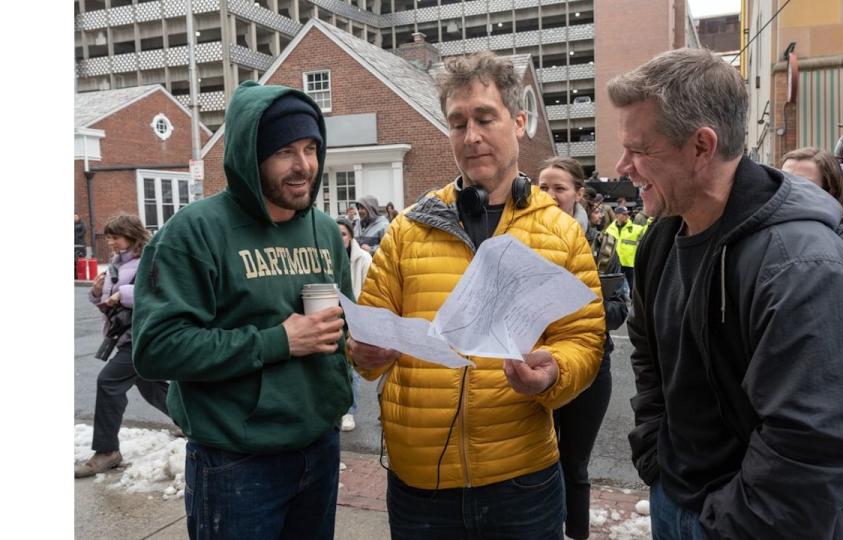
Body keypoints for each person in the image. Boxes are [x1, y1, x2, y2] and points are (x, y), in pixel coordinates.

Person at [609, 48, 843, 538]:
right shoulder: (661, 238)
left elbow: (825, 441)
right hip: (674, 497)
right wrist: (655, 455)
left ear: (701, 146)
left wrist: (729, 524)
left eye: (639, 149)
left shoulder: (800, 266)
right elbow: (649, 355)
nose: (622, 165)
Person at [349, 51, 606, 539]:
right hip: (420, 485)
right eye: (457, 122)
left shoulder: (561, 232)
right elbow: (368, 343)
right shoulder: (407, 229)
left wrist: (554, 371)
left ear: (520, 121)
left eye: (485, 118)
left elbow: (585, 340)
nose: (471, 136)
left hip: (522, 482)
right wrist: (364, 352)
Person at [132, 82, 354, 539]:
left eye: (311, 148)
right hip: (236, 460)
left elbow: (340, 328)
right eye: (285, 151)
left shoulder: (327, 231)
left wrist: (359, 346)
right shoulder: (193, 232)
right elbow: (156, 348)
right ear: (249, 155)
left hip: (320, 449)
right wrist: (279, 341)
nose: (304, 166)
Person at [538, 156, 628, 540]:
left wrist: (581, 306)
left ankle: (575, 532)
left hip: (591, 366)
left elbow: (620, 308)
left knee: (574, 465)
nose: (549, 194)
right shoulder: (515, 235)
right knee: (539, 462)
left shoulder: (602, 242)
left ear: (578, 194)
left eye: (559, 188)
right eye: (543, 187)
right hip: (535, 364)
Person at [75, 214, 169, 478]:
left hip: (142, 337)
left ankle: (107, 452)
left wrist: (123, 294)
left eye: (115, 236)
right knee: (151, 386)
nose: (111, 242)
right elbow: (108, 305)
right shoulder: (117, 264)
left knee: (108, 382)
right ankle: (190, 422)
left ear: (131, 235)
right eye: (109, 237)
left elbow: (158, 293)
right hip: (123, 336)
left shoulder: (150, 259)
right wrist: (97, 292)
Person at [781, 146, 843, 267]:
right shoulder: (775, 221)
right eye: (784, 180)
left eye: (803, 184)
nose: (790, 189)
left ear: (830, 191)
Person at [335, 215, 373, 432]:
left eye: (344, 234)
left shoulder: (363, 259)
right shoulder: (327, 256)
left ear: (350, 236)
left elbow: (370, 291)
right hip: (336, 316)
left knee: (353, 367)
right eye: (337, 234)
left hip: (356, 318)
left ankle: (350, 411)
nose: (340, 239)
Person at [605, 206, 645, 294]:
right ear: (617, 215)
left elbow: (646, 228)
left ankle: (633, 302)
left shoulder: (634, 228)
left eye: (627, 214)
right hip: (616, 262)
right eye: (624, 214)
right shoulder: (609, 229)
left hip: (629, 262)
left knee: (633, 286)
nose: (627, 216)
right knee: (617, 286)